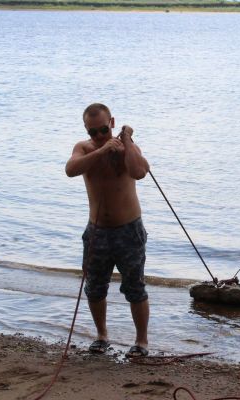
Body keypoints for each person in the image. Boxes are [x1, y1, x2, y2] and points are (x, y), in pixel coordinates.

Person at [65, 103, 151, 358]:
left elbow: (139, 171)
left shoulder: (127, 147)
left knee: (135, 287)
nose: (100, 136)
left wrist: (126, 140)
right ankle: (102, 336)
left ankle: (141, 342)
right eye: (94, 132)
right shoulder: (84, 148)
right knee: (94, 287)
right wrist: (101, 151)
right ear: (87, 131)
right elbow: (71, 170)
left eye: (104, 129)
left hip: (129, 230)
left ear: (111, 123)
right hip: (97, 232)